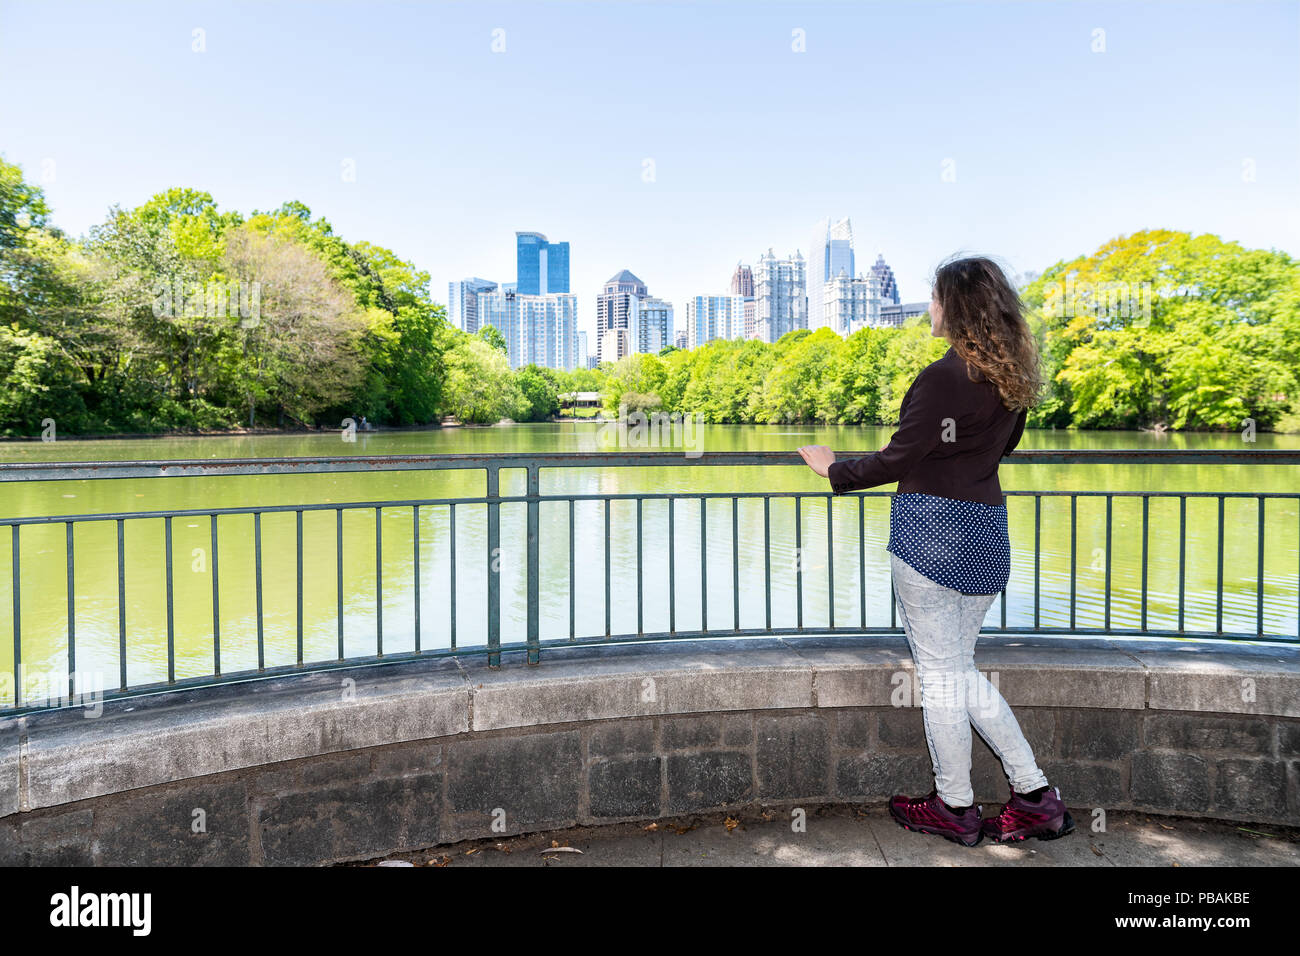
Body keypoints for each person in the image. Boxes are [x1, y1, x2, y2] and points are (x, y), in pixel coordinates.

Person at [796, 254, 1074, 848]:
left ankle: (957, 805)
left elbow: (900, 457)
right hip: (984, 534)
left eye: (937, 298)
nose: (930, 308)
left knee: (944, 680)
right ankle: (1032, 797)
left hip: (931, 538)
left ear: (957, 308)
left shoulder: (943, 377)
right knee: (960, 671)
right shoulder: (1011, 378)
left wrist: (833, 469)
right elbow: (992, 455)